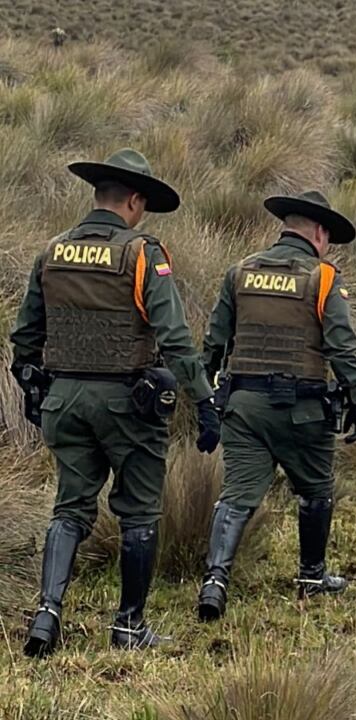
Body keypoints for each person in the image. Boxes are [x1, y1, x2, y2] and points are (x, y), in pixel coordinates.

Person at [11, 149, 220, 657]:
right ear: (132, 201)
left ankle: (47, 613)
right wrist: (205, 400)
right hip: (128, 403)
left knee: (70, 508)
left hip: (64, 401)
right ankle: (128, 627)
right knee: (139, 513)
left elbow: (24, 339)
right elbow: (173, 337)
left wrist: (34, 390)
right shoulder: (144, 253)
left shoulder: (53, 251)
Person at [197, 191, 356, 621]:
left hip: (245, 407)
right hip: (303, 410)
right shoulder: (323, 277)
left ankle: (215, 581)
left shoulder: (240, 272)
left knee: (236, 497)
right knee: (315, 491)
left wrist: (205, 397)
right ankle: (311, 576)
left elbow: (214, 344)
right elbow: (342, 346)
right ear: (319, 232)